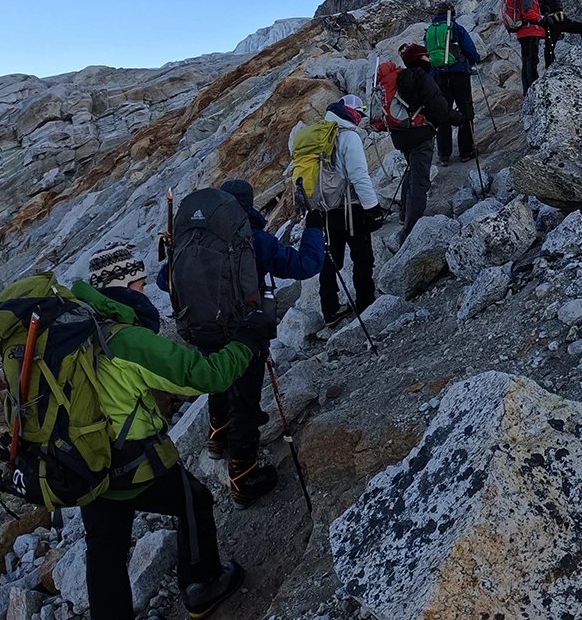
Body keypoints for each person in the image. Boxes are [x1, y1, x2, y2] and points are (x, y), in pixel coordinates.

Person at [79, 242, 275, 620]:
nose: (143, 293)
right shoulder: (126, 339)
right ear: (124, 287)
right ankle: (201, 586)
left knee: (104, 548)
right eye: (138, 286)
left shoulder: (78, 329)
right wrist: (249, 338)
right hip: (133, 460)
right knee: (195, 501)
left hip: (85, 460)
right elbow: (205, 375)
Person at [154, 180, 324, 503]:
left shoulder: (192, 239)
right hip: (245, 332)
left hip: (202, 328)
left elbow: (165, 280)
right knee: (246, 400)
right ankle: (243, 477)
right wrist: (314, 228)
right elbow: (306, 265)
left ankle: (217, 437)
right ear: (247, 206)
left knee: (217, 378)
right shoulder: (253, 239)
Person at [310, 94, 385, 327]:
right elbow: (359, 176)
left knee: (331, 260)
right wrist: (373, 208)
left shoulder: (319, 135)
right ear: (352, 113)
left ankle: (330, 311)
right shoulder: (348, 137)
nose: (361, 120)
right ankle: (366, 303)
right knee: (363, 257)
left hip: (325, 209)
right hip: (349, 208)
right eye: (359, 115)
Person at [392, 43, 463, 240]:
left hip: (402, 135)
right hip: (420, 134)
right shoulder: (423, 78)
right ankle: (412, 229)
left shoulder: (400, 78)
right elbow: (439, 107)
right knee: (420, 181)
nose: (429, 59)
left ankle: (404, 213)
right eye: (425, 56)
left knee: (411, 170)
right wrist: (458, 118)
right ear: (419, 59)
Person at [424, 6, 482, 167]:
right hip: (459, 73)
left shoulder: (430, 31)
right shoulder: (456, 28)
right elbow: (470, 49)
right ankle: (466, 151)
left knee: (443, 113)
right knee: (465, 109)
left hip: (439, 76)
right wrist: (475, 58)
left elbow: (427, 52)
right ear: (453, 14)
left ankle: (444, 155)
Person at [515, 0, 546, 93]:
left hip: (526, 32)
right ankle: (534, 91)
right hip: (530, 31)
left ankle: (527, 92)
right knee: (531, 61)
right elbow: (527, 12)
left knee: (527, 61)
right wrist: (541, 19)